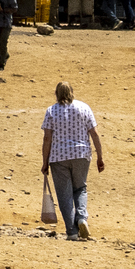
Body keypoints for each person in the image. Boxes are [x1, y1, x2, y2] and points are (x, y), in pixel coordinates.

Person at [40, 81, 105, 242]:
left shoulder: (51, 111)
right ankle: (82, 218)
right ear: (72, 92)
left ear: (57, 94)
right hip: (81, 154)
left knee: (64, 195)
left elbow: (47, 138)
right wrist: (100, 157)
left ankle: (72, 231)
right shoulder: (84, 107)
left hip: (59, 157)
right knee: (80, 188)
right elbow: (94, 133)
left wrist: (45, 161)